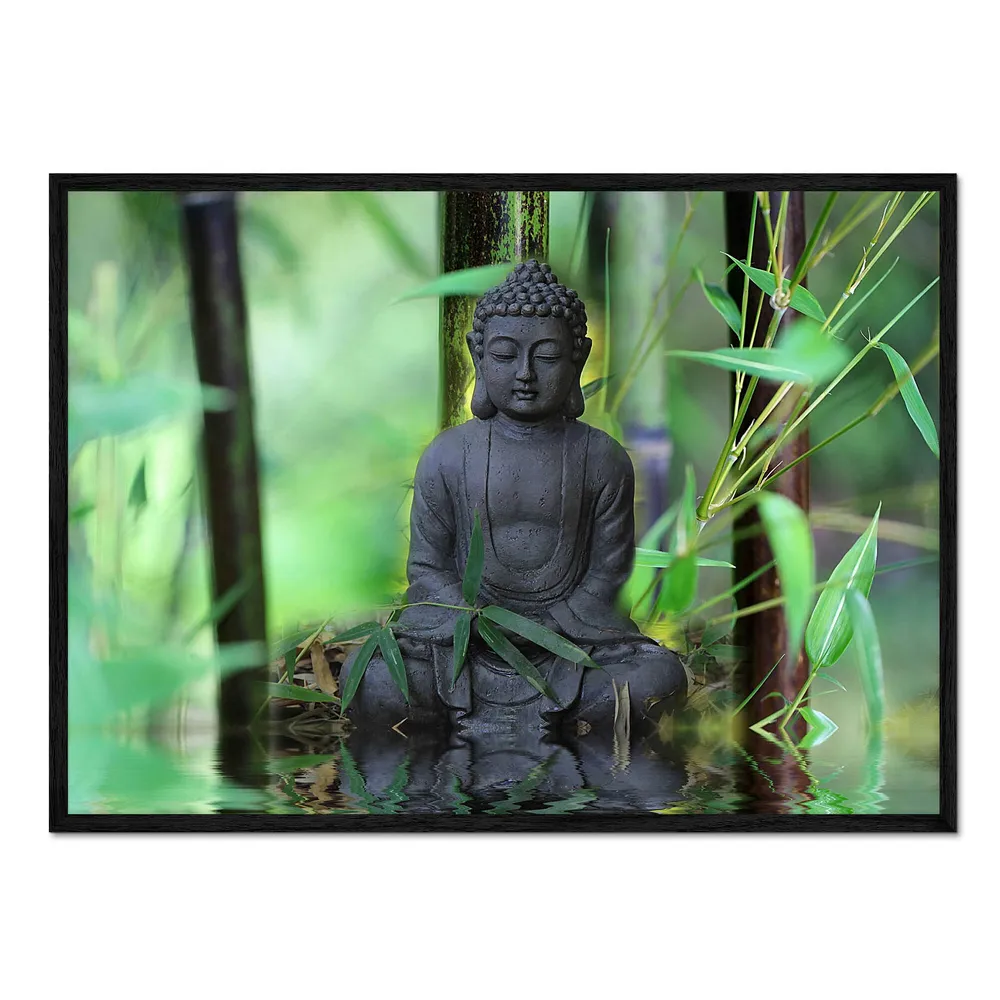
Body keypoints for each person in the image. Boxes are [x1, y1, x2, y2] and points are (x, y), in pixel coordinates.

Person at [345, 260, 686, 733]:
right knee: (374, 677)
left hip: (570, 646)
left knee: (656, 677)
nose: (525, 373)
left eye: (546, 357)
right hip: (464, 646)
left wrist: (548, 627)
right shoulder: (447, 455)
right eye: (505, 355)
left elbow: (608, 574)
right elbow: (426, 569)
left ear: (578, 358)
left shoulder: (603, 458)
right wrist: (478, 622)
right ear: (478, 355)